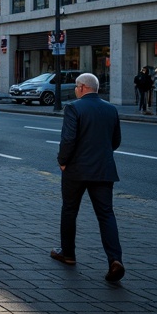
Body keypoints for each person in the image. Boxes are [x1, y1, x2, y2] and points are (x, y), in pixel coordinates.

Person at [50, 72, 125, 284]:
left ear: (82, 87)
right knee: (106, 215)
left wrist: (62, 161)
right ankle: (115, 260)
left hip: (76, 170)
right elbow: (116, 141)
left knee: (70, 210)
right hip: (103, 170)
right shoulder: (111, 109)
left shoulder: (74, 107)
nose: (75, 89)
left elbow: (68, 140)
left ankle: (68, 254)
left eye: (76, 86)